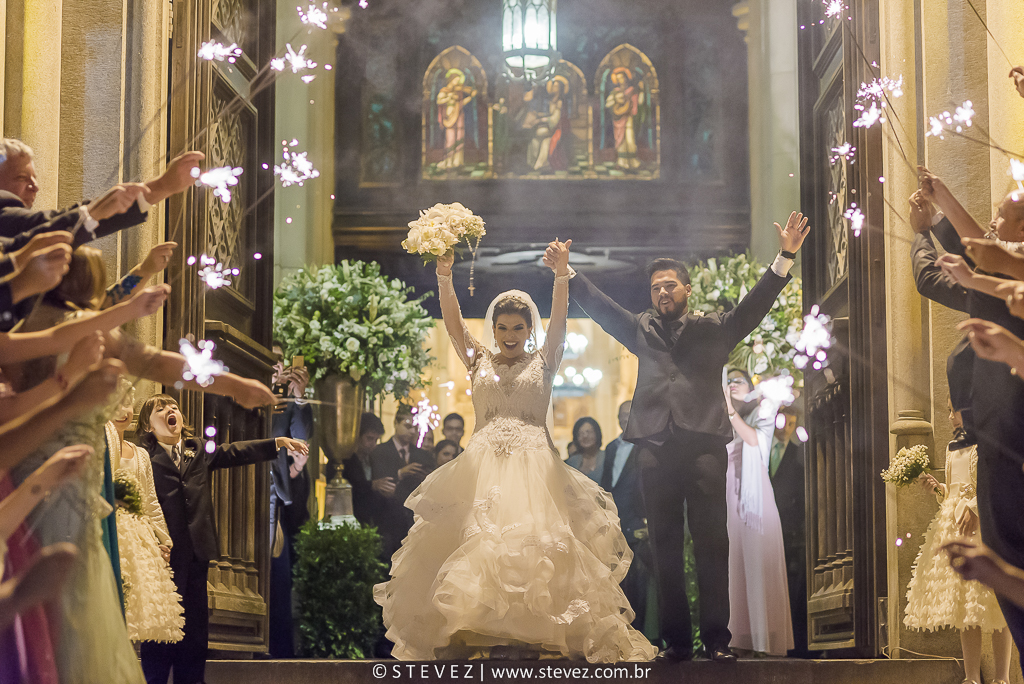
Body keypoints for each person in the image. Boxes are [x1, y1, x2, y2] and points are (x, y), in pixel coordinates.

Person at [375, 241, 657, 662]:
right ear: (494, 330)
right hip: (481, 464)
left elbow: (560, 318)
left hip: (534, 469)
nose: (509, 336)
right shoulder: (477, 360)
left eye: (518, 329)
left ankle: (536, 636)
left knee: (536, 549)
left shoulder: (546, 360)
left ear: (530, 331)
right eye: (502, 328)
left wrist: (562, 275)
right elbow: (452, 323)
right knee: (480, 546)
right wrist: (444, 275)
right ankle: (478, 634)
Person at [549, 210, 809, 662]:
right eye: (655, 287)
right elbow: (603, 309)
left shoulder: (713, 328)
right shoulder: (640, 328)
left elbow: (754, 306)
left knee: (712, 545)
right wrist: (566, 273)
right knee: (663, 548)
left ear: (687, 289)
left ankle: (717, 640)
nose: (662, 292)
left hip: (704, 446)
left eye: (669, 284)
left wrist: (785, 256)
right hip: (654, 449)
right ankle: (675, 642)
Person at [135, 394, 307, 684]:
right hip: (163, 554)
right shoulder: (143, 456)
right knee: (162, 625)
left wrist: (275, 443)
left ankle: (192, 679)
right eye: (160, 409)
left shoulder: (197, 448)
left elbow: (233, 452)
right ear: (149, 426)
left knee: (195, 627)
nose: (169, 410)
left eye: (173, 406)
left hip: (198, 550)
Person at [905, 399, 1012, 684]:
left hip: (984, 526)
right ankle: (971, 676)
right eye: (949, 410)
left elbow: (997, 484)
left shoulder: (989, 442)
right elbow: (953, 492)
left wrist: (975, 507)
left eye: (954, 409)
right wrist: (938, 489)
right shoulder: (953, 448)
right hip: (955, 527)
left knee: (995, 600)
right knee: (965, 604)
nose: (950, 416)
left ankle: (1002, 677)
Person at [108, 381, 185, 644]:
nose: (123, 411)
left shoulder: (140, 454)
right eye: (115, 404)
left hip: (137, 533)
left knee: (137, 603)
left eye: (127, 404)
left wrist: (163, 539)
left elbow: (150, 500)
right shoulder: (100, 445)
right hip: (110, 529)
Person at [722, 369, 793, 656]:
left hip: (756, 501)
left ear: (750, 386)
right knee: (733, 566)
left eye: (738, 381)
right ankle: (735, 639)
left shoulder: (763, 410)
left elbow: (755, 441)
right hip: (729, 499)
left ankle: (764, 639)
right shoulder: (718, 420)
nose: (732, 385)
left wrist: (729, 409)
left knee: (758, 562)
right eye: (728, 382)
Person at [268, 346, 312, 658]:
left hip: (275, 501)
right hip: (241, 495)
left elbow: (301, 436)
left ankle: (279, 654)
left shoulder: (284, 404)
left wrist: (299, 397)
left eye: (280, 362)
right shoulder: (248, 395)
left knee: (280, 580)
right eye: (270, 361)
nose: (277, 367)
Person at [599, 400, 650, 634]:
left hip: (639, 522)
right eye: (621, 415)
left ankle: (641, 630)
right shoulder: (611, 448)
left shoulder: (647, 445)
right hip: (616, 520)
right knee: (616, 579)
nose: (624, 419)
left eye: (629, 414)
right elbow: (609, 485)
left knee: (640, 581)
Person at [768, 406, 810, 658]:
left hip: (787, 531)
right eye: (784, 421)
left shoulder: (797, 456)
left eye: (792, 424)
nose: (786, 428)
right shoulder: (758, 450)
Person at [369, 406, 434, 559]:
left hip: (414, 520)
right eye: (407, 426)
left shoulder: (422, 455)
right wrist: (400, 473)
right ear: (396, 423)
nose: (412, 432)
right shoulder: (379, 452)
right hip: (386, 519)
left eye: (415, 428)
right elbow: (382, 484)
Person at [340, 412, 386, 527]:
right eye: (369, 438)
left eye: (376, 440)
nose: (373, 444)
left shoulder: (373, 459)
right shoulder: (345, 459)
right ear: (357, 436)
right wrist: (372, 485)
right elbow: (350, 489)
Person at [565, 417, 604, 483]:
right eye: (581, 433)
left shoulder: (607, 457)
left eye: (589, 432)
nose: (585, 436)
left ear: (597, 433)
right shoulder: (571, 462)